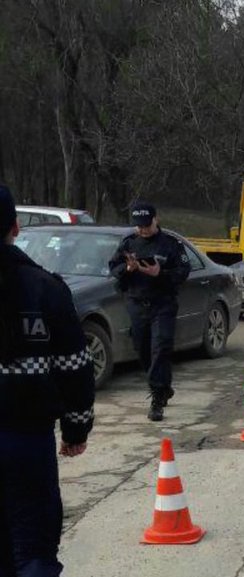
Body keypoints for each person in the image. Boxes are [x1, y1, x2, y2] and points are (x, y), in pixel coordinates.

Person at [0, 184, 95, 576]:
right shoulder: (45, 289)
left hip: (26, 435)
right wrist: (76, 428)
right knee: (34, 549)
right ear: (16, 227)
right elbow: (74, 365)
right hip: (26, 441)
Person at [109, 202, 190, 421]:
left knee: (161, 347)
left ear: (156, 220)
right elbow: (113, 268)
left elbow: (183, 272)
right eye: (139, 226)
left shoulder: (171, 244)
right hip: (136, 303)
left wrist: (159, 273)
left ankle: (157, 398)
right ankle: (163, 386)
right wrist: (127, 269)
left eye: (146, 225)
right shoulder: (128, 243)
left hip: (162, 303)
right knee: (142, 348)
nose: (143, 229)